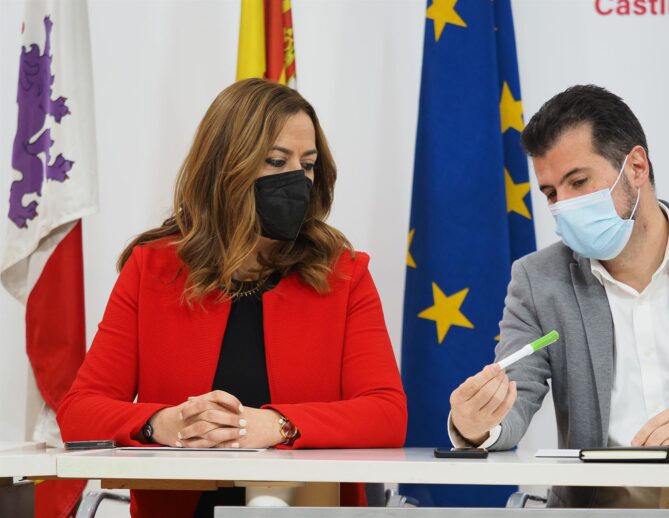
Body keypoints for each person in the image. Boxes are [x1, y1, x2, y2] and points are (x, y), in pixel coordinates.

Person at [57, 78, 407, 517]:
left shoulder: (343, 273)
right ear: (225, 167)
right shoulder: (153, 269)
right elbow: (79, 412)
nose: (297, 180)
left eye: (308, 165)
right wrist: (162, 424)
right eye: (276, 161)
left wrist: (277, 425)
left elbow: (386, 414)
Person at [448, 85, 669, 508]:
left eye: (578, 182)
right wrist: (476, 425)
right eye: (551, 193)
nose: (563, 205)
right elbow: (513, 401)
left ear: (636, 167)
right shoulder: (537, 280)